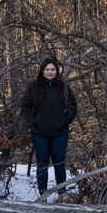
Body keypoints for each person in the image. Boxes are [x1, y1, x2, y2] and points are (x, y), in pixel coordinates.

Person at [20, 58, 77, 200]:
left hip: (60, 133)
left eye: (52, 69)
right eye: (47, 69)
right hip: (40, 133)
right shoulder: (33, 87)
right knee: (42, 164)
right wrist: (34, 122)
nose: (50, 72)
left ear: (56, 71)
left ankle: (62, 193)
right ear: (42, 71)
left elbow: (73, 108)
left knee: (59, 163)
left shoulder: (63, 87)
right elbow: (25, 107)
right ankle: (43, 193)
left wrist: (64, 122)